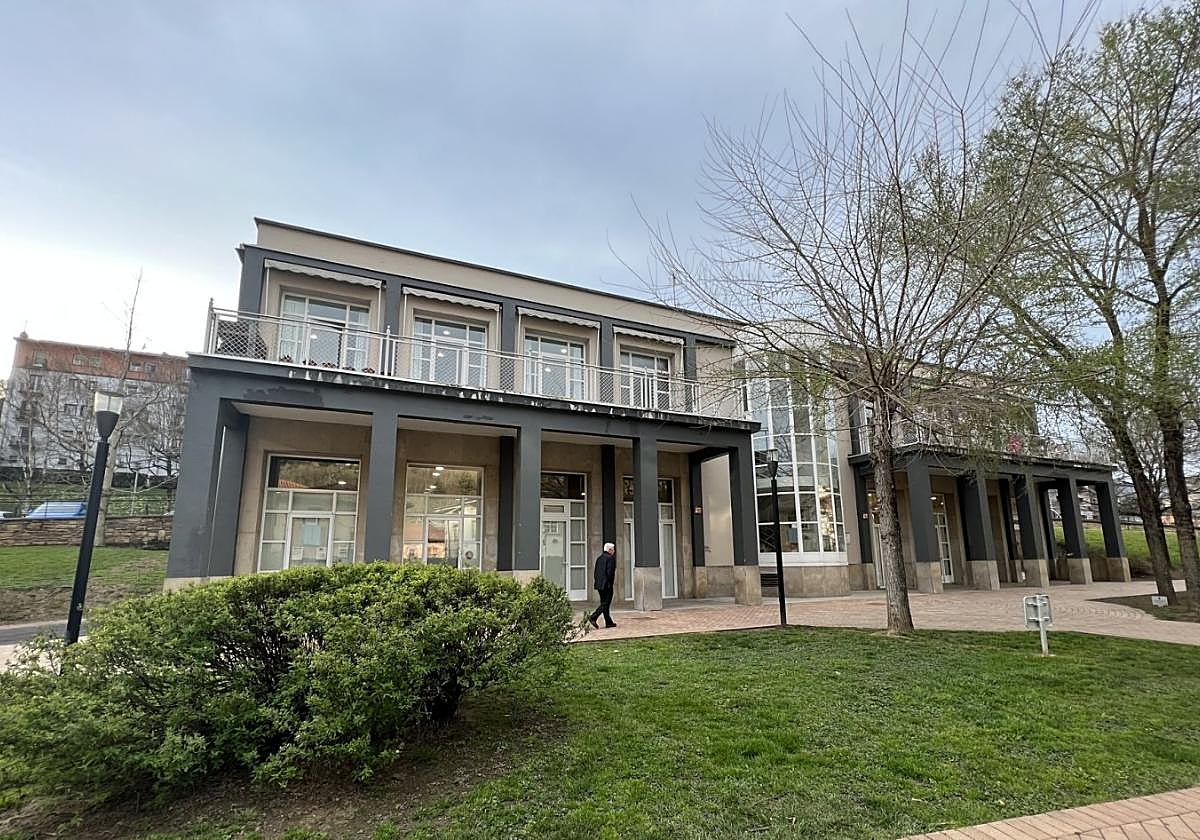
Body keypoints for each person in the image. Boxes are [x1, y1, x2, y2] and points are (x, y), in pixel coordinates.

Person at [588, 542, 617, 629]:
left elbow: (596, 572)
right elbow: (610, 573)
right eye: (613, 549)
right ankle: (593, 617)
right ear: (610, 550)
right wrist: (610, 584)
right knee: (606, 603)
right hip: (607, 585)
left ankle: (608, 622)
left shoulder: (599, 558)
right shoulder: (610, 558)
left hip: (599, 584)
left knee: (604, 603)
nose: (614, 551)